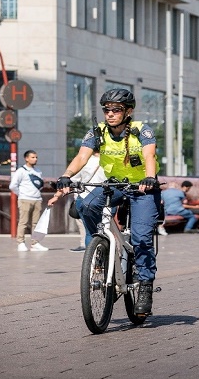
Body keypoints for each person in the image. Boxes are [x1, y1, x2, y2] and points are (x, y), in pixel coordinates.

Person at [56, 88, 161, 315]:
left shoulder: (142, 130)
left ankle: (145, 285)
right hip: (114, 184)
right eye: (107, 110)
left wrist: (150, 178)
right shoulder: (97, 132)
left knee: (142, 238)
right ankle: (101, 247)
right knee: (85, 204)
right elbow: (82, 157)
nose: (110, 114)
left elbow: (149, 156)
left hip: (142, 187)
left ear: (128, 111)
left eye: (116, 110)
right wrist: (66, 176)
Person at [48, 151, 106, 251]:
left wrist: (56, 196)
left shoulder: (83, 161)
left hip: (85, 198)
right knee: (107, 229)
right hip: (106, 199)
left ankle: (91, 260)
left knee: (89, 231)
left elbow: (70, 181)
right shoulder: (110, 160)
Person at [9, 150, 47, 252]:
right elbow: (13, 185)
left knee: (36, 224)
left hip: (37, 199)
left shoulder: (38, 171)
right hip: (25, 199)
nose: (35, 159)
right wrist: (21, 194)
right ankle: (20, 242)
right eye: (33, 157)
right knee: (23, 222)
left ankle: (35, 243)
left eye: (36, 157)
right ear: (26, 158)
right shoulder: (21, 171)